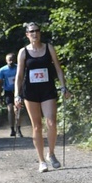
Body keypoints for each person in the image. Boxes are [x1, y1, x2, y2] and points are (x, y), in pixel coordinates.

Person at [14, 22, 71, 173]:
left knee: (51, 122)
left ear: (40, 33)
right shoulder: (23, 52)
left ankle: (51, 153)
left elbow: (58, 69)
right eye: (31, 31)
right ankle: (41, 161)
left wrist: (63, 86)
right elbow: (19, 75)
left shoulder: (48, 48)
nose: (35, 34)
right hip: (31, 92)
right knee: (37, 126)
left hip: (48, 90)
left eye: (37, 31)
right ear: (27, 35)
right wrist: (16, 95)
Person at [0, 53, 23, 137]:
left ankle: (18, 129)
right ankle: (12, 129)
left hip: (18, 91)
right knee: (10, 110)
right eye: (9, 60)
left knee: (18, 109)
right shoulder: (2, 70)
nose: (11, 61)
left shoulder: (18, 67)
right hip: (8, 91)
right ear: (6, 60)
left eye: (12, 59)